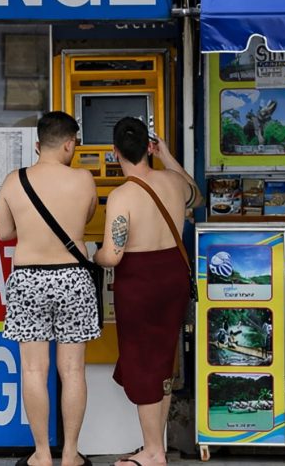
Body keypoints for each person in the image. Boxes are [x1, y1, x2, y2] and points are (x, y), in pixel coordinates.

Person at [94, 117, 203, 466]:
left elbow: (112, 254)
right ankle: (154, 445)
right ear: (149, 147)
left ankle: (154, 452)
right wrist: (168, 155)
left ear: (114, 153)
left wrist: (90, 253)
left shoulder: (121, 195)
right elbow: (197, 196)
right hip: (173, 276)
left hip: (140, 283)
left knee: (143, 364)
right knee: (163, 362)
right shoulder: (172, 182)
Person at [0, 111, 99, 466]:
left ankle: (41, 455)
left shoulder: (13, 181)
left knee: (33, 371)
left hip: (28, 280)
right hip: (72, 278)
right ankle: (70, 455)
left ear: (38, 144)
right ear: (70, 143)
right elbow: (85, 219)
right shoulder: (84, 180)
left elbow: (3, 232)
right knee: (72, 371)